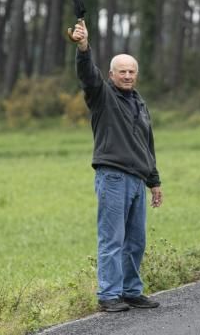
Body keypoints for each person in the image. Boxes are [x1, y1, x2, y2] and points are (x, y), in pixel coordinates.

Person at [71, 20, 163, 313]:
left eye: (131, 71)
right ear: (111, 74)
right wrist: (84, 47)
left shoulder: (139, 102)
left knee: (136, 241)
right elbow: (87, 74)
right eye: (121, 71)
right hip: (112, 176)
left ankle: (131, 291)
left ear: (137, 74)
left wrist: (154, 181)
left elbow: (147, 144)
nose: (127, 75)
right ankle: (108, 294)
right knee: (113, 239)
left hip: (138, 179)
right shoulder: (102, 95)